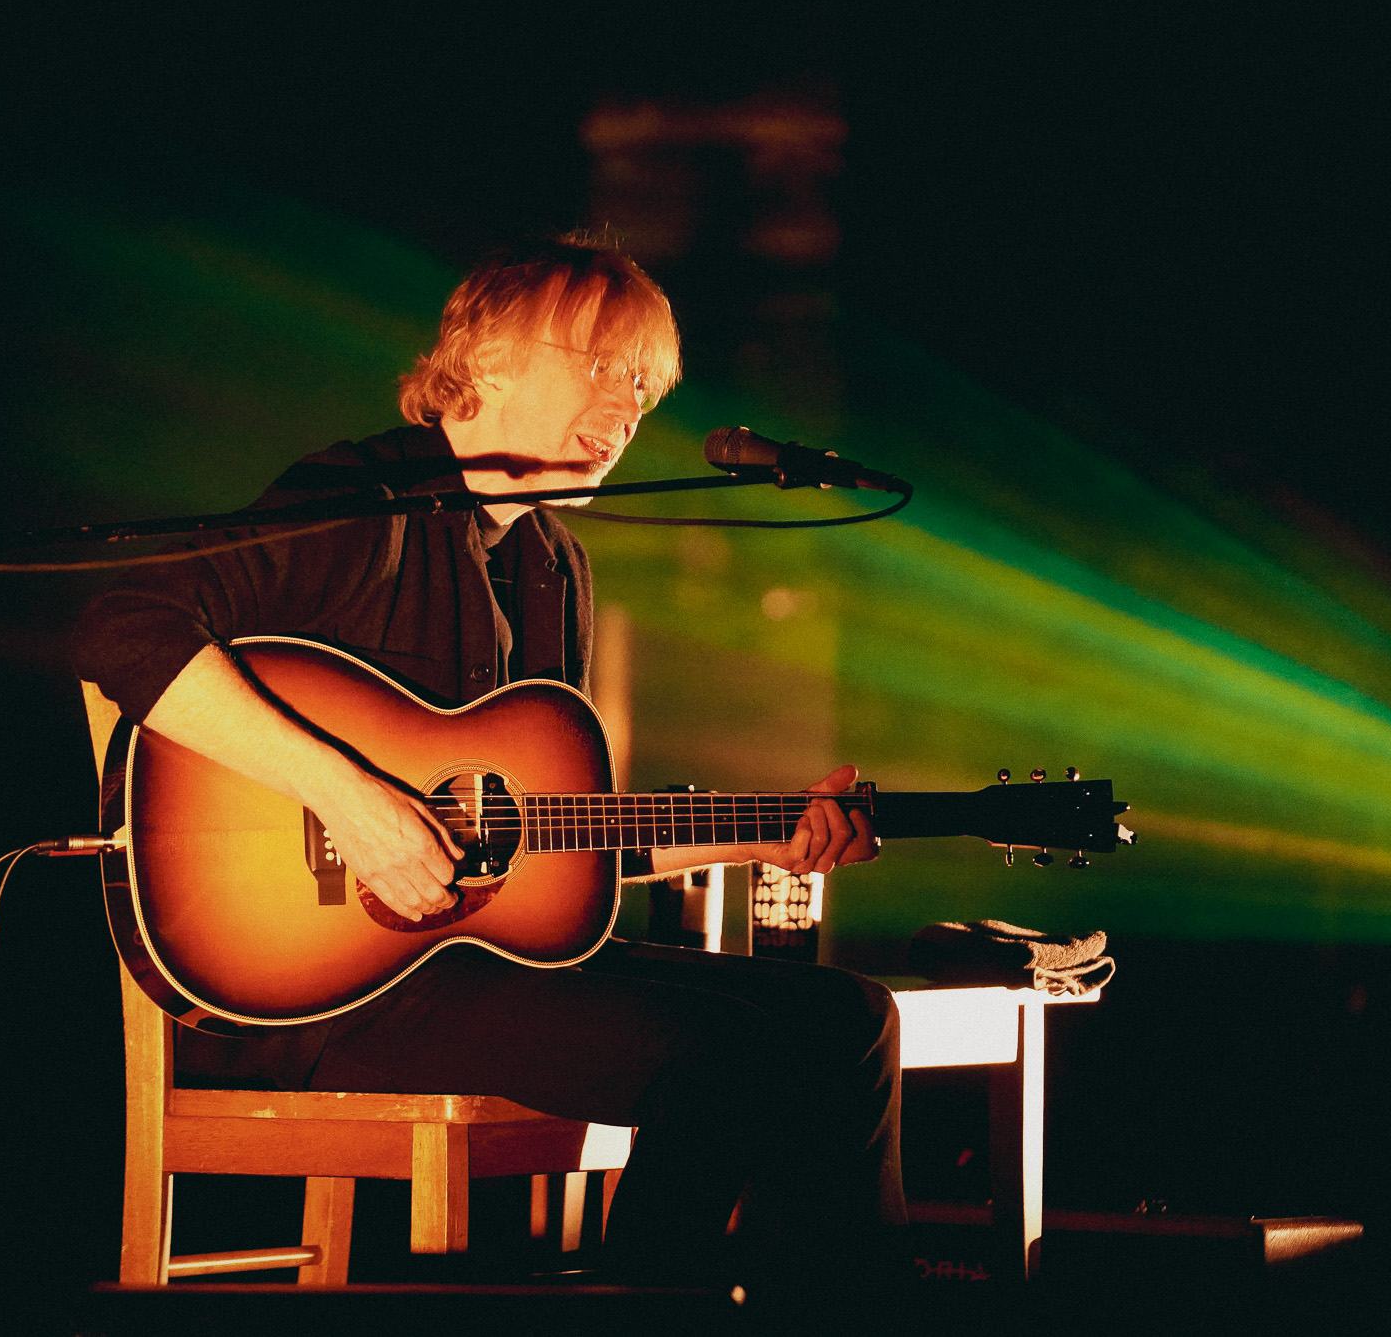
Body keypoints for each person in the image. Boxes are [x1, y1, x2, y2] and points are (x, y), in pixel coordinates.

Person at [70, 232, 905, 1287]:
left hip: (470, 965)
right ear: (492, 358)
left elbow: (549, 844)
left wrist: (759, 840)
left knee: (848, 1017)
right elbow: (123, 628)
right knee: (722, 1057)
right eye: (604, 367)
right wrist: (349, 797)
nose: (628, 409)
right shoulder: (361, 502)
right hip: (306, 988)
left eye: (643, 386)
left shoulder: (556, 566)